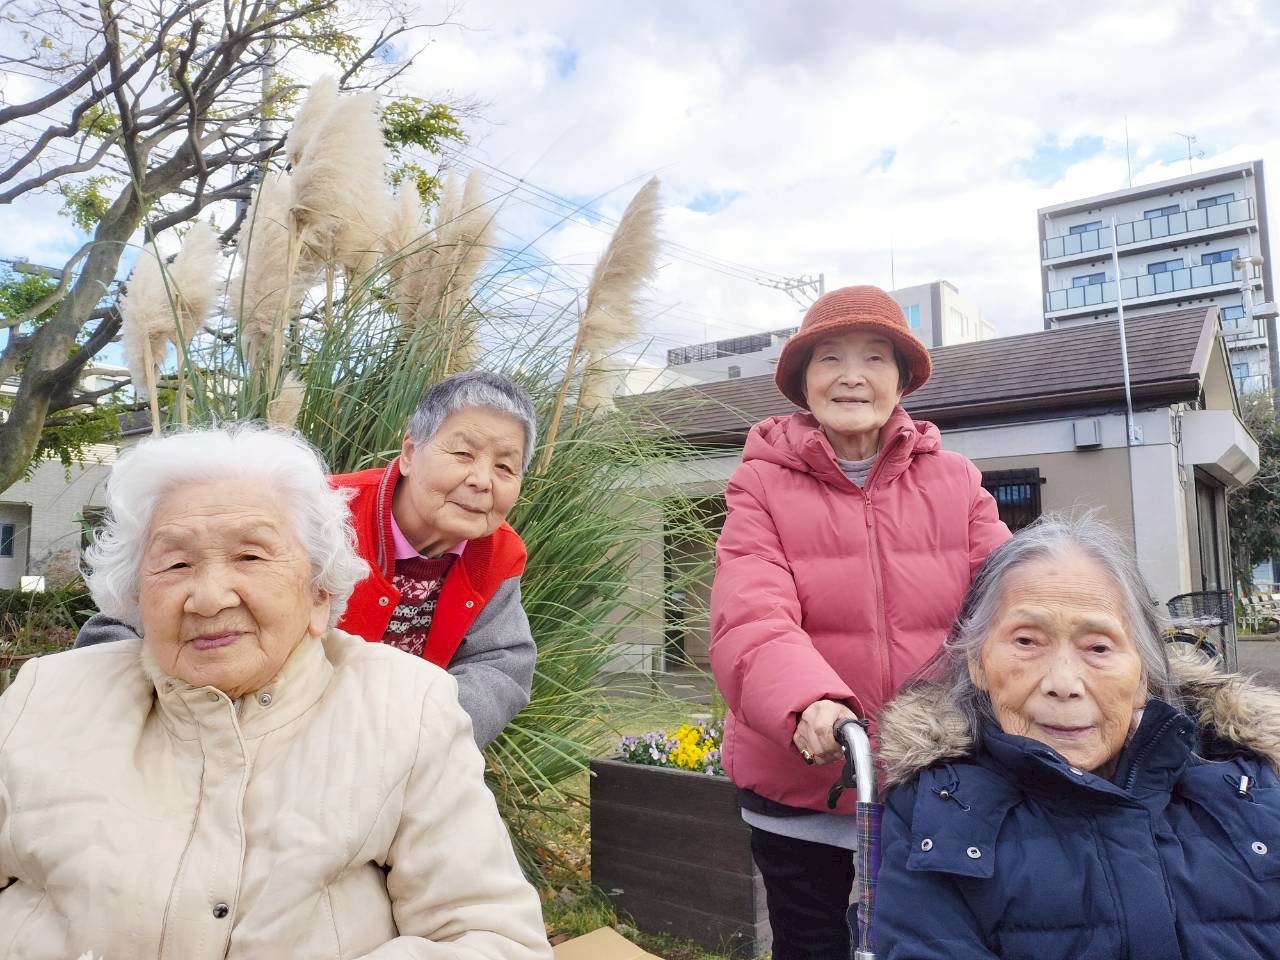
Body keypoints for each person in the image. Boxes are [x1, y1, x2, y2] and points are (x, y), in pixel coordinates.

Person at [0, 426, 552, 959]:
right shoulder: (46, 698)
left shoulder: (407, 710)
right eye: (176, 562)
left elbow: (494, 939)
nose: (209, 597)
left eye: (251, 557)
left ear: (319, 594)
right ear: (135, 598)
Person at [709, 284, 1011, 960]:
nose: (852, 376)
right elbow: (750, 609)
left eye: (875, 357)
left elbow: (1010, 597)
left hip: (931, 772)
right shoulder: (761, 483)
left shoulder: (956, 480)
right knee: (809, 943)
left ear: (902, 381)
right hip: (801, 771)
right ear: (803, 382)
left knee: (928, 943)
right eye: (830, 358)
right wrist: (807, 701)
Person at [874, 514, 1280, 960]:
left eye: (1098, 647)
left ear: (1144, 672)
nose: (1063, 683)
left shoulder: (1248, 785)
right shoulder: (934, 812)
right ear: (977, 663)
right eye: (1027, 641)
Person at [77, 370, 537, 747]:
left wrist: (422, 733)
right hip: (245, 738)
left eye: (505, 466)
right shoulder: (315, 511)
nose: (482, 480)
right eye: (463, 453)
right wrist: (143, 725)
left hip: (386, 754)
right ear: (411, 453)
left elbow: (501, 662)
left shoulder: (499, 554)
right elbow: (130, 616)